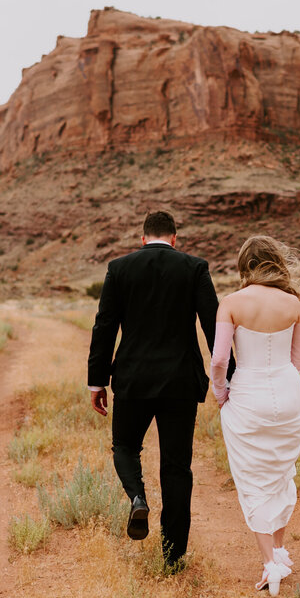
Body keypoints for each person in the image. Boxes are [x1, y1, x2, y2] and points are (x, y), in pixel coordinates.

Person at [87, 211, 228, 569]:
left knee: (125, 447)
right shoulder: (195, 267)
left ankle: (137, 498)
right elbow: (214, 325)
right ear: (175, 238)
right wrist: (228, 377)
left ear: (143, 237)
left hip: (133, 381)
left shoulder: (120, 268)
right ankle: (174, 556)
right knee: (177, 467)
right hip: (180, 382)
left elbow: (104, 326)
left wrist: (97, 380)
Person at [210, 235, 300, 596]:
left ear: (244, 266)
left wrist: (221, 394)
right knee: (280, 473)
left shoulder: (232, 303)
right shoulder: (294, 303)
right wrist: (282, 386)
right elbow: (299, 359)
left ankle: (271, 564)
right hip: (288, 392)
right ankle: (279, 552)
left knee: (253, 479)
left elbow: (220, 360)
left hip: (248, 395)